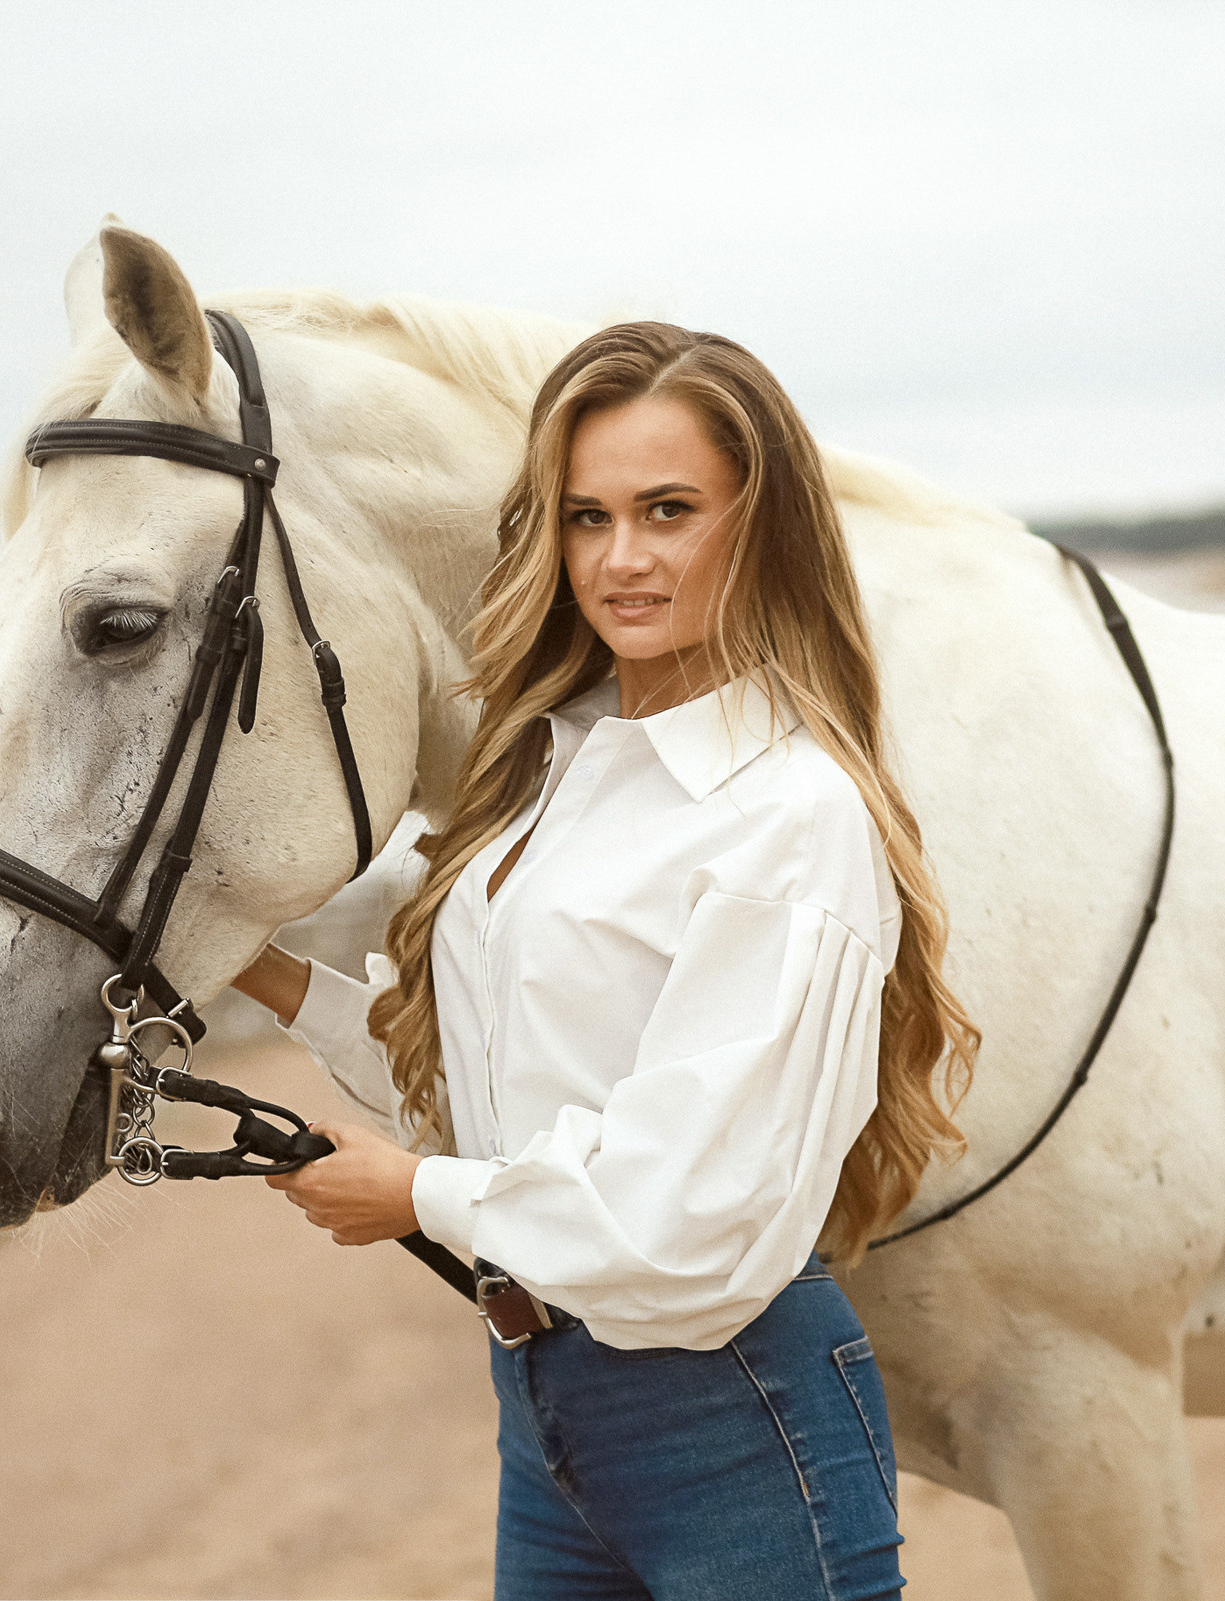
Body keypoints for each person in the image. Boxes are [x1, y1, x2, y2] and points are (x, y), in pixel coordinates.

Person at [230, 322, 979, 1600]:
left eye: (668, 510)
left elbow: (681, 1213)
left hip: (733, 1424)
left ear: (762, 524)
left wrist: (415, 1194)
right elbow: (509, 1089)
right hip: (547, 1407)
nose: (621, 558)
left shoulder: (787, 815)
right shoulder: (554, 768)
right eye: (588, 517)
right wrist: (265, 974)